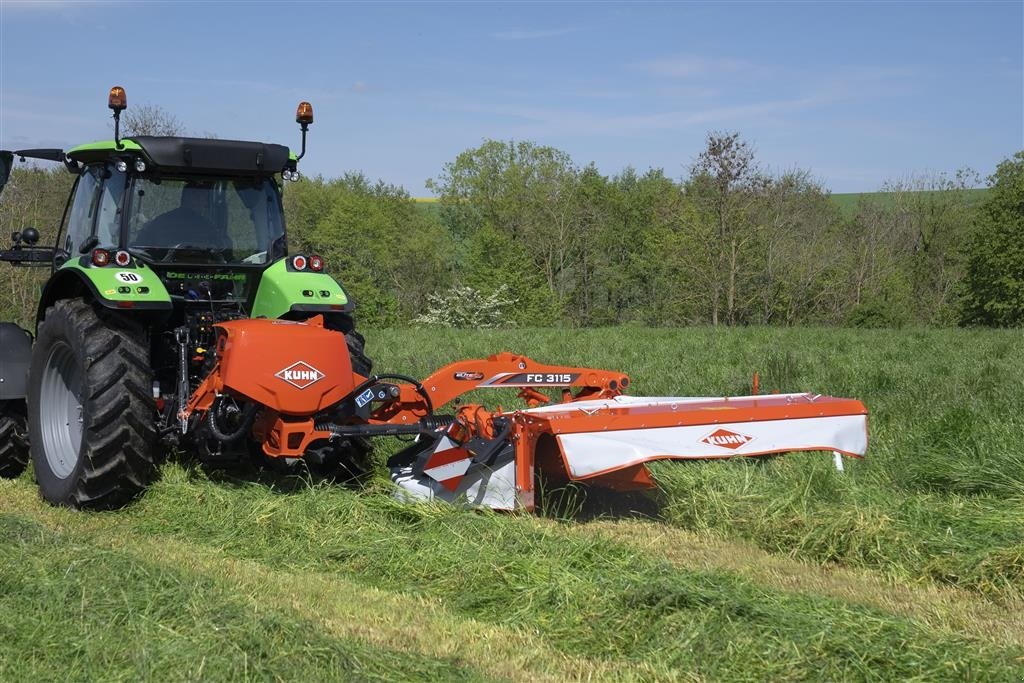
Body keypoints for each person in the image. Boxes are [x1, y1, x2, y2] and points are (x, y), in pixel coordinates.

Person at [134, 183, 231, 250]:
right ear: (186, 197)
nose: (203, 201)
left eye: (204, 197)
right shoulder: (161, 223)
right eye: (197, 196)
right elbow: (140, 249)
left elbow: (221, 251)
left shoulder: (209, 227)